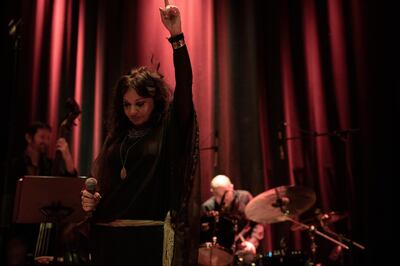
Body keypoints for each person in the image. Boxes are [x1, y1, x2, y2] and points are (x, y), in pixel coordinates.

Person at [80, 1, 199, 265]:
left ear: (155, 101)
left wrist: (176, 35)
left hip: (148, 242)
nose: (132, 111)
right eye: (126, 105)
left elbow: (185, 85)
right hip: (108, 240)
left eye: (140, 104)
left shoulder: (168, 127)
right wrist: (92, 200)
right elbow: (107, 184)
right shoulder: (118, 136)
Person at [5, 121, 78, 266]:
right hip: (21, 230)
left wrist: (67, 155)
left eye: (48, 138)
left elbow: (71, 182)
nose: (46, 141)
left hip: (44, 229)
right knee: (16, 255)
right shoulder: (15, 164)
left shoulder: (50, 165)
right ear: (29, 138)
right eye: (42, 137)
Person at [200, 174, 264, 264]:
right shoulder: (208, 207)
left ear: (232, 187)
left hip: (245, 250)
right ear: (212, 192)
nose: (224, 198)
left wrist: (252, 242)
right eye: (218, 195)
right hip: (220, 254)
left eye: (226, 193)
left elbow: (258, 223)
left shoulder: (245, 198)